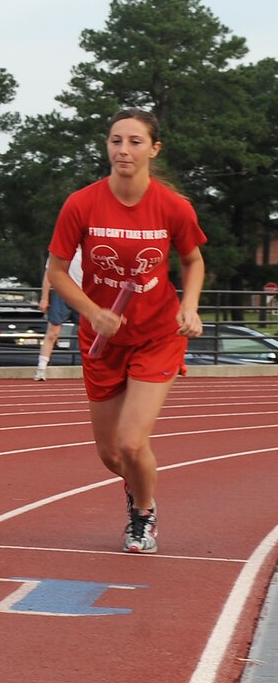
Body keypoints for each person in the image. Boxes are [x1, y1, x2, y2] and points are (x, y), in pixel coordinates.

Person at [46, 107, 206, 554]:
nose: (124, 150)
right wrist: (92, 311)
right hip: (102, 340)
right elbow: (58, 272)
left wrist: (189, 307)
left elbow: (192, 260)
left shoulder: (173, 208)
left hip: (158, 335)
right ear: (107, 146)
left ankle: (144, 512)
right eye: (116, 140)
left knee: (133, 443)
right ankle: (137, 487)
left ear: (154, 149)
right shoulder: (81, 203)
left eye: (135, 141)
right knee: (111, 455)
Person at [35, 248, 83, 381]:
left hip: (83, 295)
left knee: (89, 334)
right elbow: (49, 274)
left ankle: (94, 369)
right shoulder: (61, 250)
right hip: (61, 294)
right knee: (53, 332)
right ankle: (41, 368)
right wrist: (44, 298)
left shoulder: (91, 248)